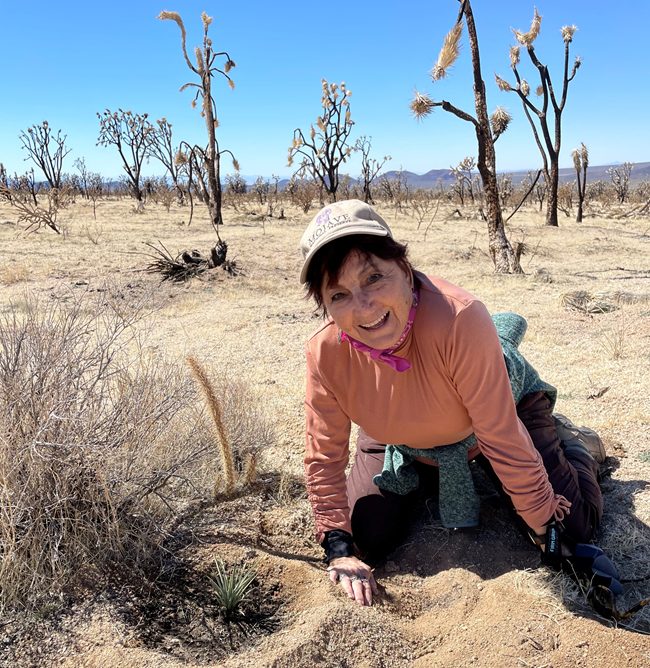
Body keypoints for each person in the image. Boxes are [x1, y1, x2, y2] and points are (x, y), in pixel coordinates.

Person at [300, 200, 604, 607]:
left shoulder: (460, 318)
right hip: (399, 430)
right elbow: (324, 454)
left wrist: (548, 527)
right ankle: (430, 462)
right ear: (325, 305)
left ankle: (575, 445)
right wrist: (339, 548)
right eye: (339, 294)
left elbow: (500, 435)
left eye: (373, 278)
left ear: (405, 269)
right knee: (367, 537)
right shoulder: (325, 352)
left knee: (573, 529)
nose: (363, 306)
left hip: (498, 414)